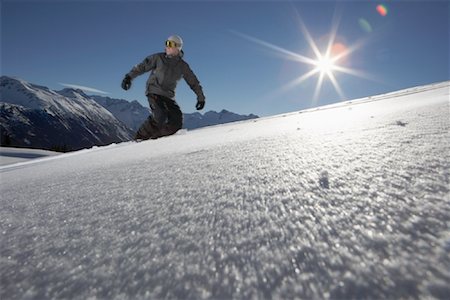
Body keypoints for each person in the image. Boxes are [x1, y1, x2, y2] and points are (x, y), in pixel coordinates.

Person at [121, 35, 206, 140]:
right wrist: (128, 77)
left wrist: (200, 97)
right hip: (154, 91)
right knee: (160, 115)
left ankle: (156, 138)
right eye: (167, 43)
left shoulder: (183, 66)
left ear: (178, 47)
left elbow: (193, 82)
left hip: (168, 95)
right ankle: (140, 137)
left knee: (177, 121)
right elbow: (142, 67)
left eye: (171, 44)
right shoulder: (158, 58)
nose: (167, 47)